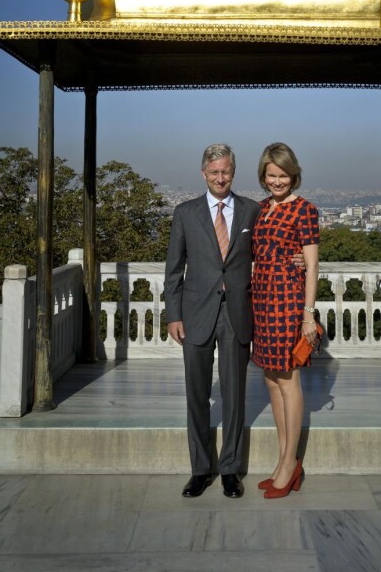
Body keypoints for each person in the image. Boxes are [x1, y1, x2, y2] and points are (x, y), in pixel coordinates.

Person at [165, 144, 261, 499]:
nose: (221, 178)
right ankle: (200, 470)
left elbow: (267, 255)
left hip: (237, 314)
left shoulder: (252, 211)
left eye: (227, 172)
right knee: (197, 395)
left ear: (234, 172)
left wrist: (298, 260)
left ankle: (230, 471)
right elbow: (173, 270)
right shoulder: (185, 213)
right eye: (214, 172)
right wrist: (173, 314)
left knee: (235, 395)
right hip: (195, 315)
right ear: (203, 173)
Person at [252, 142, 320, 499]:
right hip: (261, 302)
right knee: (271, 380)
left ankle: (291, 464)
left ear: (294, 175)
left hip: (288, 301)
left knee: (288, 380)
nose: (277, 181)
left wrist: (308, 315)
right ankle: (283, 460)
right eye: (271, 175)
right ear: (263, 176)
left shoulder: (305, 210)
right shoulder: (261, 209)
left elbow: (312, 266)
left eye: (283, 175)